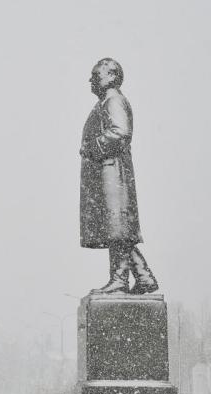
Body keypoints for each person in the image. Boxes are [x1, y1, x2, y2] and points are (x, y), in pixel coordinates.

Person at [80, 58, 158, 294]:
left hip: (113, 173)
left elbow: (121, 132)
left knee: (117, 228)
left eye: (97, 75)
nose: (92, 80)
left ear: (112, 76)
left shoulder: (114, 99)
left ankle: (119, 279)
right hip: (107, 173)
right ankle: (143, 277)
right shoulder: (106, 101)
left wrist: (92, 146)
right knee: (118, 230)